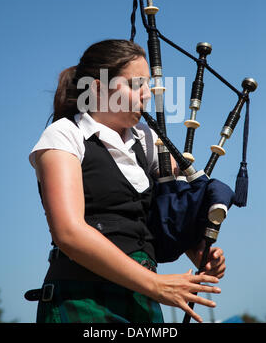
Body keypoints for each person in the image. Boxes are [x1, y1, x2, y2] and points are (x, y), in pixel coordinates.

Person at [28, 39, 225, 324]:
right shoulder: (64, 135)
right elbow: (69, 233)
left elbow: (172, 207)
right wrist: (156, 284)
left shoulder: (147, 140)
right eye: (135, 85)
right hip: (83, 299)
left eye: (148, 84)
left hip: (142, 298)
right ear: (97, 88)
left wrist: (198, 249)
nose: (147, 94)